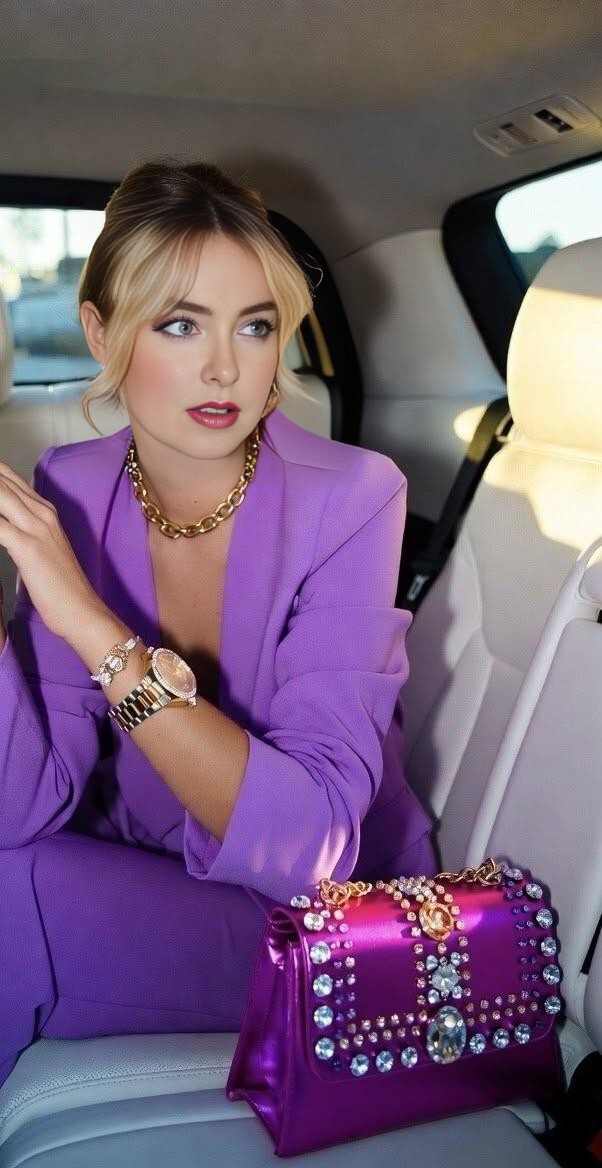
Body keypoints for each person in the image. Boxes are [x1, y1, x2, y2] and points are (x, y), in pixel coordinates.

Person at [0, 161, 435, 1087]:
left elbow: (311, 847)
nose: (225, 368)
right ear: (101, 331)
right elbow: (23, 806)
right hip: (143, 873)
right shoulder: (68, 487)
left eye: (256, 325)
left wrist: (92, 626)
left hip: (321, 924)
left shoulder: (354, 497)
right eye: (180, 323)